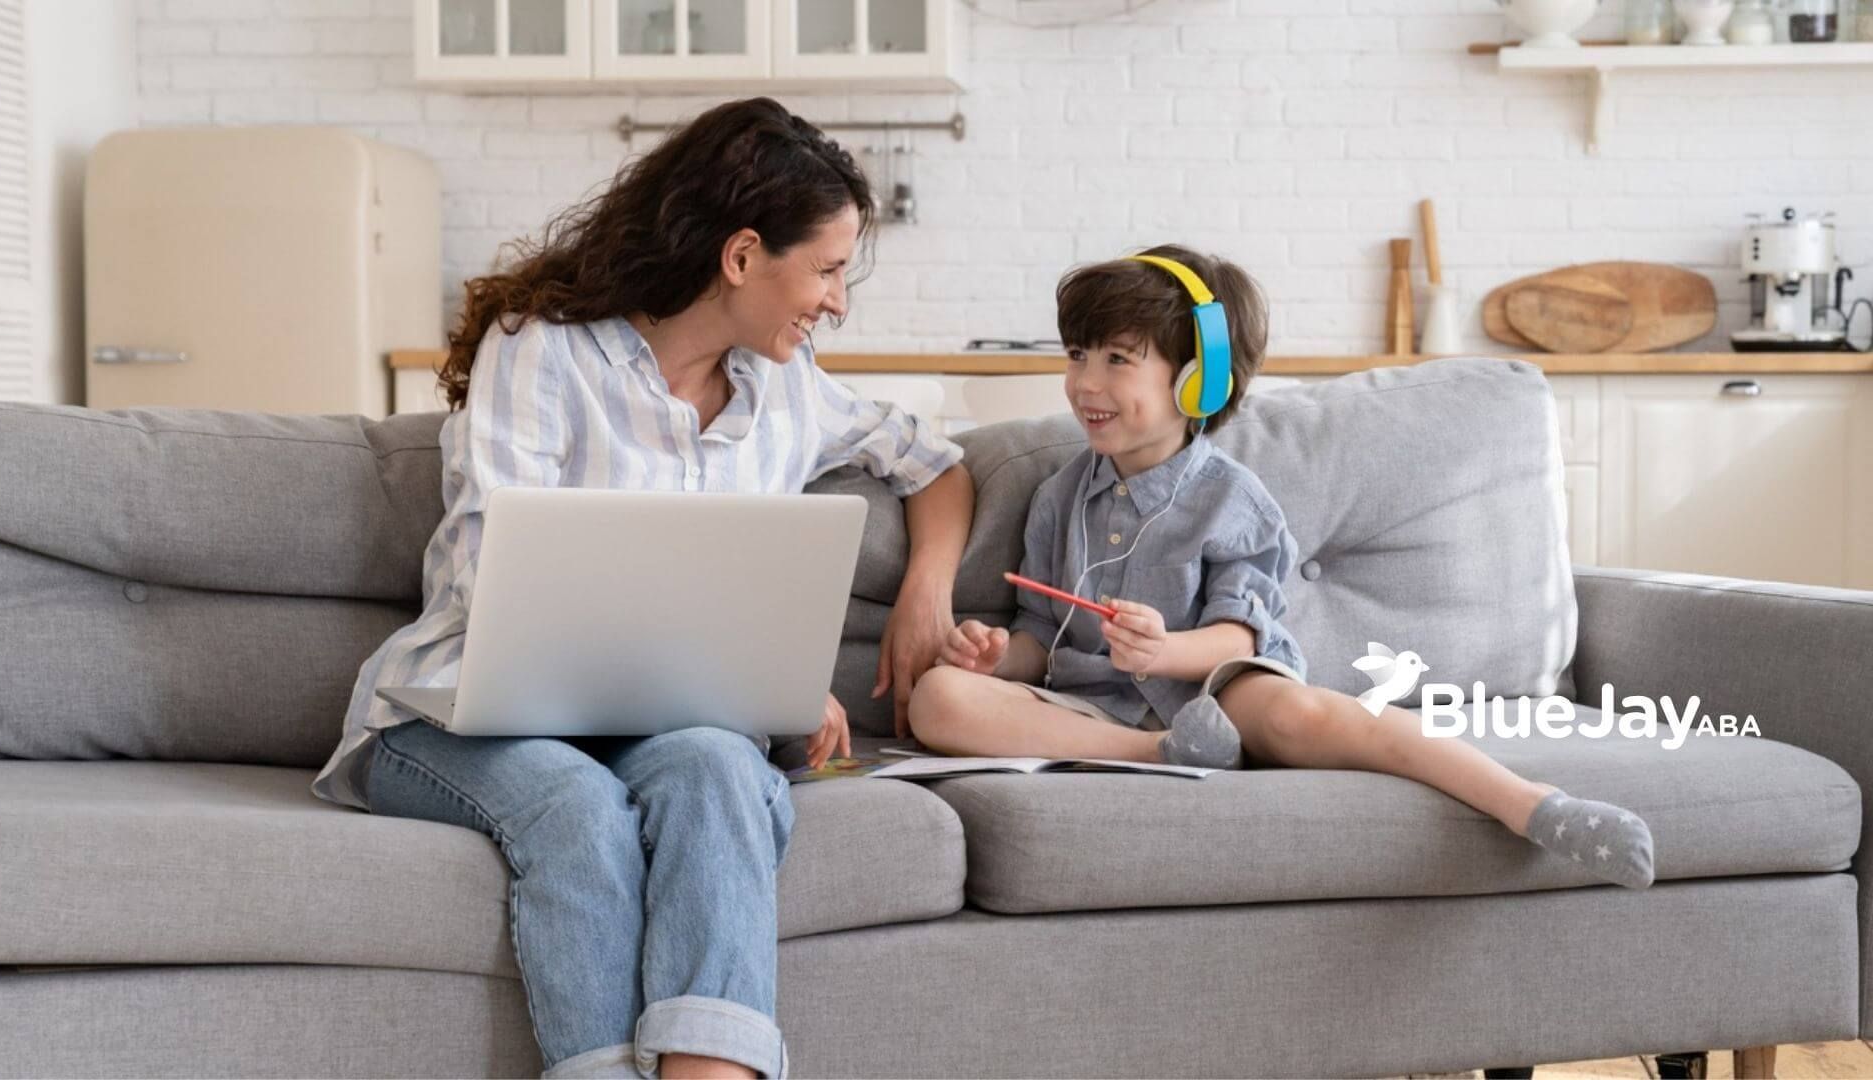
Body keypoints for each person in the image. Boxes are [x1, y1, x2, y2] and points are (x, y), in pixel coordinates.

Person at [310, 97, 974, 1079]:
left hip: (664, 730)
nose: (838, 302)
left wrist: (925, 593)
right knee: (578, 806)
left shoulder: (788, 385)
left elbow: (936, 466)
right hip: (463, 715)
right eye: (829, 269)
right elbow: (504, 577)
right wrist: (748, 676)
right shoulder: (542, 350)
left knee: (719, 770)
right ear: (742, 256)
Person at [906, 243, 1654, 892]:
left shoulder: (1232, 498)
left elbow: (1239, 635)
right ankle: (1158, 755)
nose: (1085, 383)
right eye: (1078, 356)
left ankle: (1530, 803)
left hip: (1219, 690)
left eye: (1117, 360)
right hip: (1091, 709)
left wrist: (1165, 651)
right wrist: (998, 657)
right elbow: (1042, 634)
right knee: (939, 698)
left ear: (1199, 381)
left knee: (1304, 714)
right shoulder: (1058, 496)